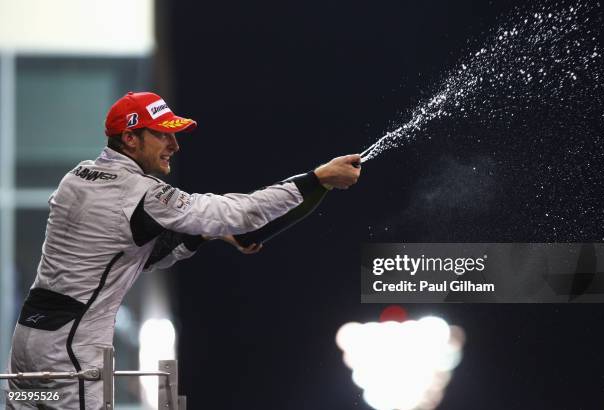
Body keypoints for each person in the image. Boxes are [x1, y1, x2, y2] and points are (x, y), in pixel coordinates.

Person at [5, 91, 360, 409]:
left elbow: (129, 255)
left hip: (25, 344)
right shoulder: (145, 193)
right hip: (71, 352)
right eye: (162, 133)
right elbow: (243, 213)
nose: (174, 144)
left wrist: (203, 236)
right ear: (129, 138)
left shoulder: (77, 176)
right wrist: (316, 180)